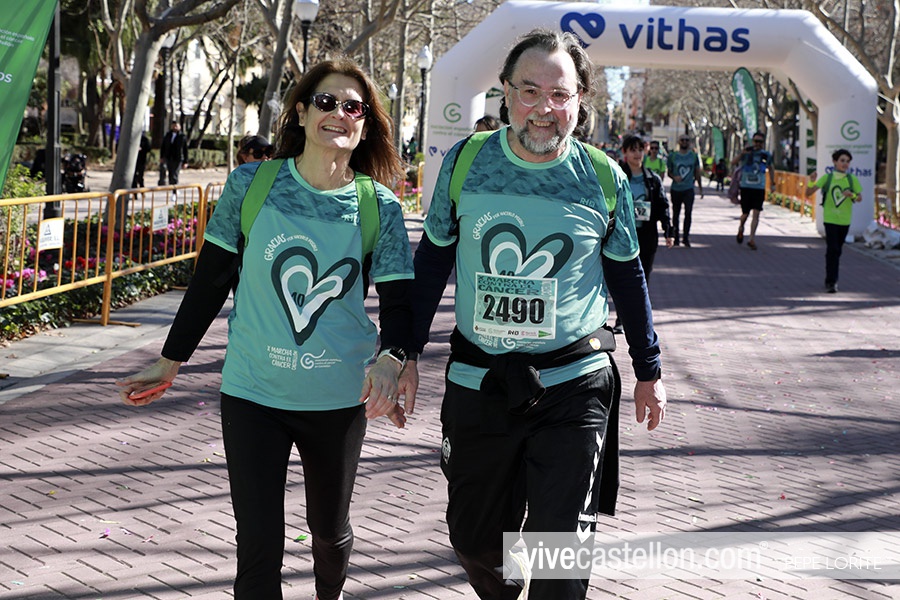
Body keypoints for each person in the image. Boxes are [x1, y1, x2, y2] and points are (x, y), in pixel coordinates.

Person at [117, 58, 416, 600]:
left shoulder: (380, 207)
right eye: (326, 102)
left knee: (329, 533)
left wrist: (391, 361)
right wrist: (171, 359)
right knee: (257, 544)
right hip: (252, 393)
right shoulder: (251, 184)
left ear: (365, 125)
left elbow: (399, 304)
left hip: (337, 397)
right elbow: (211, 279)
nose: (339, 113)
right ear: (301, 113)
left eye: (353, 107)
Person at [406, 29, 667, 600]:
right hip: (480, 382)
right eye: (529, 91)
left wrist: (649, 370)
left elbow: (628, 276)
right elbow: (431, 263)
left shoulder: (603, 177)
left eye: (559, 94)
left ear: (580, 100)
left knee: (559, 560)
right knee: (475, 541)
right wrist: (403, 352)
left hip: (574, 386)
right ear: (505, 92)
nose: (544, 108)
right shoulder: (467, 162)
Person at [804, 148, 862, 293]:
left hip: (844, 220)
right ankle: (832, 281)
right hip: (830, 219)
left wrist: (852, 195)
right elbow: (808, 193)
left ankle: (830, 276)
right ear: (835, 161)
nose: (845, 164)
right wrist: (811, 182)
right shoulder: (827, 178)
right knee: (833, 249)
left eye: (847, 161)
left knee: (837, 250)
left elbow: (859, 197)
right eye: (842, 160)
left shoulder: (852, 179)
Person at [732, 131, 775, 250]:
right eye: (756, 141)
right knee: (745, 214)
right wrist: (742, 153)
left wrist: (773, 183)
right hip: (746, 187)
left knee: (756, 213)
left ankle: (751, 238)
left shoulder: (766, 155)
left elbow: (771, 168)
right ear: (752, 141)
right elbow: (733, 162)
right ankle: (741, 227)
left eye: (760, 142)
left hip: (759, 187)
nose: (758, 144)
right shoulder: (746, 153)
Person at [666, 134, 703, 247]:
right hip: (676, 189)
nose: (685, 142)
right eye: (682, 140)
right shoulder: (673, 156)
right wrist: (674, 177)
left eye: (687, 140)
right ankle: (676, 237)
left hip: (689, 189)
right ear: (679, 142)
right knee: (676, 213)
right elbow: (669, 172)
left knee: (688, 213)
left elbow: (697, 172)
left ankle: (686, 237)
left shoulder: (693, 156)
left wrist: (700, 188)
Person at [158, 121, 188, 185]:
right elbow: (163, 147)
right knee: (169, 173)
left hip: (178, 158)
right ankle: (170, 186)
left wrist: (185, 161)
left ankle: (174, 188)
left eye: (176, 126)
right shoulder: (168, 135)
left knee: (175, 174)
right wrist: (162, 157)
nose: (175, 127)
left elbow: (185, 149)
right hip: (169, 157)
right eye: (173, 126)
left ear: (179, 127)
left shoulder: (182, 136)